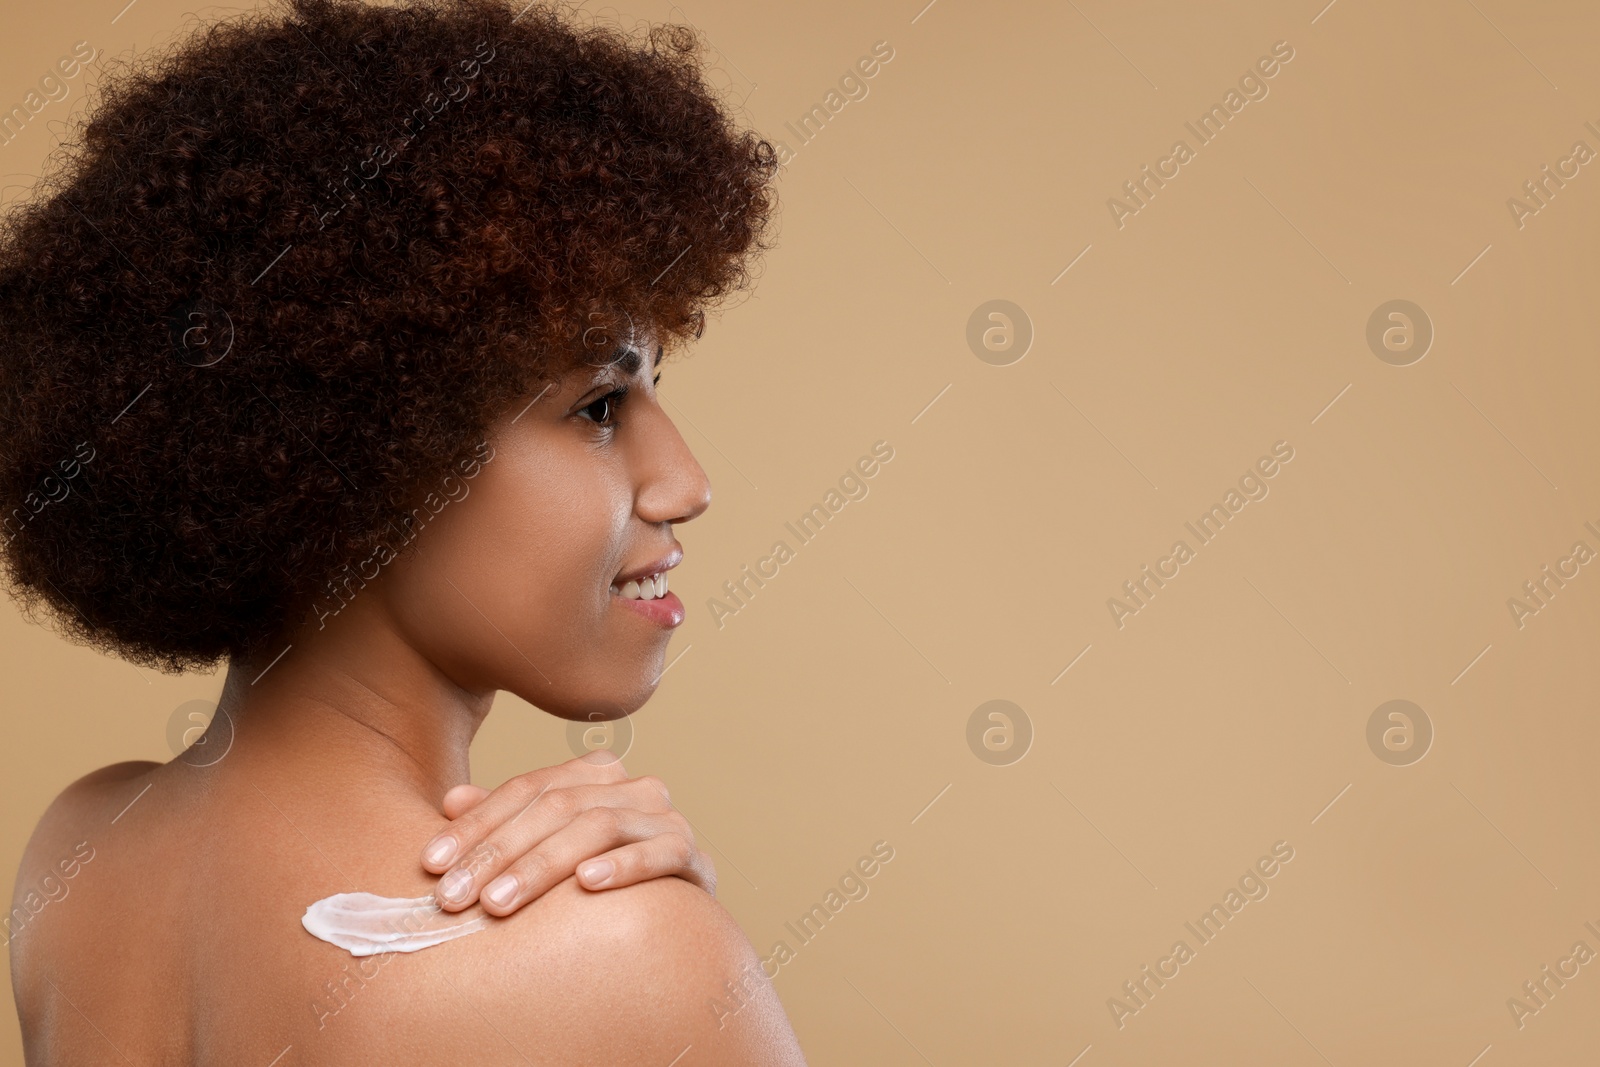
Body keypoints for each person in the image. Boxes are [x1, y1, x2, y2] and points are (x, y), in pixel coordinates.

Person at [0, 0, 804, 1062]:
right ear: (366, 446)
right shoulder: (621, 954)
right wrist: (685, 962)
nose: (685, 482)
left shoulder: (80, 851)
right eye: (599, 406)